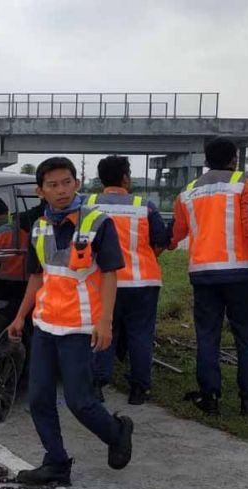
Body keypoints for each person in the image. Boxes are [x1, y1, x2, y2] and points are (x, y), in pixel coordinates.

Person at [7, 157, 134, 485]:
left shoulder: (98, 223)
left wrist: (105, 322)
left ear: (77, 183)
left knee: (80, 402)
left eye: (66, 182)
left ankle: (117, 431)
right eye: (53, 185)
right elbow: (37, 277)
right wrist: (20, 316)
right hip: (45, 326)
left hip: (81, 327)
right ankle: (56, 462)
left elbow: (110, 274)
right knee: (38, 398)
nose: (61, 190)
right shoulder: (39, 227)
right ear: (41, 191)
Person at [169, 138, 248, 416]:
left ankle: (209, 398)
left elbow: (176, 232)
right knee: (246, 337)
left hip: (203, 275)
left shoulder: (187, 192)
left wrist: (160, 245)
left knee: (207, 336)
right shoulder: (246, 185)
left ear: (206, 161)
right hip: (240, 274)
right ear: (234, 158)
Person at [88, 156, 170, 405]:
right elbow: (161, 241)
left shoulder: (87, 205)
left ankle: (97, 384)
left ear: (102, 179)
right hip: (143, 282)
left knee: (104, 330)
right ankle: (138, 389)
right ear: (125, 178)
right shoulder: (145, 206)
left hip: (103, 283)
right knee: (140, 335)